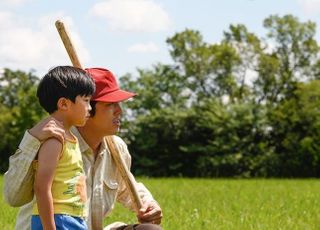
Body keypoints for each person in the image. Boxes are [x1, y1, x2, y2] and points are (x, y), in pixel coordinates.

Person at [4, 67, 163, 230]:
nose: (120, 111)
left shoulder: (117, 147)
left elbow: (126, 186)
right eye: (110, 104)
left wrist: (148, 204)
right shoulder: (54, 139)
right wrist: (31, 141)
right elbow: (13, 197)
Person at [30, 66, 95, 229]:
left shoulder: (70, 138)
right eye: (86, 101)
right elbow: (41, 187)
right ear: (64, 104)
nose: (90, 108)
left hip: (72, 217)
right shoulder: (54, 140)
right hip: (58, 219)